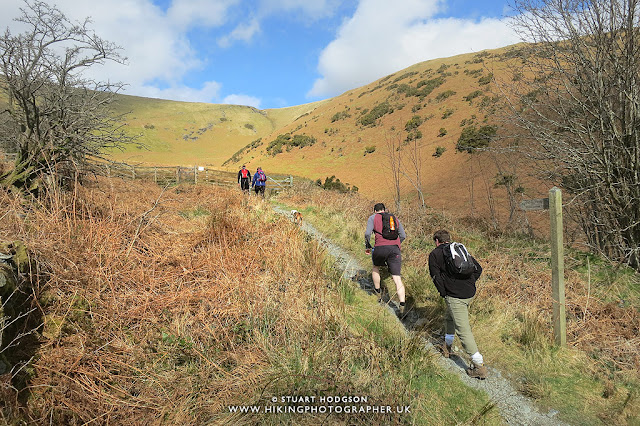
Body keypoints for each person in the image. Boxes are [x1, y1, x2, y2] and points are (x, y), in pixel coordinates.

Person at [428, 229, 487, 379]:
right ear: (448, 239)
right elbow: (478, 269)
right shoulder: (458, 249)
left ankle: (479, 366)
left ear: (436, 241)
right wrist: (470, 282)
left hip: (455, 296)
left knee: (463, 330)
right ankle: (447, 346)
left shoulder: (435, 254)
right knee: (449, 317)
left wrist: (444, 292)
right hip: (469, 292)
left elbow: (435, 276)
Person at [364, 203, 407, 316]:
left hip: (379, 248)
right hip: (395, 250)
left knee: (375, 267)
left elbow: (368, 233)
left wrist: (368, 246)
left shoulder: (372, 218)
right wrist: (396, 244)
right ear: (384, 210)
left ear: (375, 211)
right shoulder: (394, 218)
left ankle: (378, 293)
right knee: (397, 278)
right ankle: (402, 305)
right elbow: (403, 235)